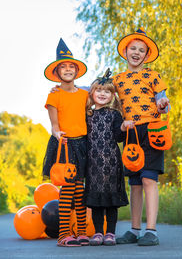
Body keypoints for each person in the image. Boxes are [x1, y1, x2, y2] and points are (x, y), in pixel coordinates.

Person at [113, 28, 171, 246]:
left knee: (149, 179)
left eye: (141, 50)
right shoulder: (118, 79)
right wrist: (68, 88)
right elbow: (96, 91)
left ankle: (151, 230)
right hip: (131, 131)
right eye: (133, 49)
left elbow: (164, 102)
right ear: (125, 51)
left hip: (152, 129)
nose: (136, 53)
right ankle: (135, 229)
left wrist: (163, 105)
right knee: (135, 182)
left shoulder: (152, 76)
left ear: (146, 56)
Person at [43, 38, 89, 247]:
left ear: (77, 71)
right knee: (67, 189)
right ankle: (63, 235)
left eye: (72, 66)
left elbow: (102, 93)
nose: (68, 69)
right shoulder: (54, 95)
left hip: (82, 145)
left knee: (80, 190)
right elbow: (53, 125)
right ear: (57, 72)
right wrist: (58, 134)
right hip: (64, 145)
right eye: (64, 66)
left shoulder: (85, 94)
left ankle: (80, 232)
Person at [84, 69, 135, 246]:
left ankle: (110, 233)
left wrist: (122, 127)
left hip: (111, 163)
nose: (103, 94)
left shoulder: (114, 114)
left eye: (107, 91)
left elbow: (118, 138)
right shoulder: (88, 114)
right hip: (93, 165)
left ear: (112, 95)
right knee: (97, 202)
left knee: (111, 202)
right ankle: (98, 232)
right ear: (92, 93)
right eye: (99, 90)